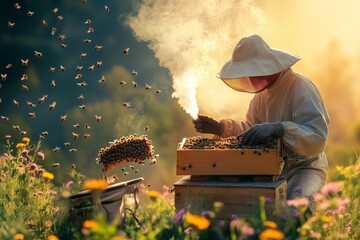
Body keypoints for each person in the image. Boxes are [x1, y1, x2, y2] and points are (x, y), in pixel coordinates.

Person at [193, 34, 329, 200]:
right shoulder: (261, 96)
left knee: (294, 207)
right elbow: (252, 130)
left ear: (267, 66)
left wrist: (280, 129)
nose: (249, 78)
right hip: (269, 169)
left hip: (305, 167)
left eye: (251, 71)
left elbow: (317, 136)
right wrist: (222, 128)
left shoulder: (301, 87)